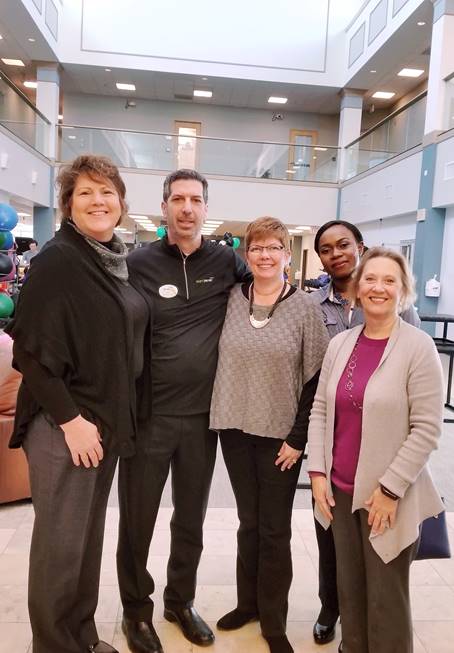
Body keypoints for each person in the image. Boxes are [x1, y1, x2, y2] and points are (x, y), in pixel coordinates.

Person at [5, 155, 152, 653]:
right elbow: (30, 353)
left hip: (103, 422)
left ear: (121, 203)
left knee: (86, 543)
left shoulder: (110, 260)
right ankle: (53, 645)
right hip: (64, 425)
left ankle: (81, 638)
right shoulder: (58, 259)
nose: (98, 200)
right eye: (85, 192)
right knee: (60, 549)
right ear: (68, 204)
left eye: (106, 191)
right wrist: (71, 421)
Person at [117, 168, 250, 653]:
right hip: (148, 415)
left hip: (202, 419)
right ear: (165, 206)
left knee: (190, 518)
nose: (187, 208)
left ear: (206, 208)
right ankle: (136, 612)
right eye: (178, 199)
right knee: (137, 520)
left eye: (195, 199)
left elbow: (268, 294)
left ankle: (180, 600)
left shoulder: (228, 261)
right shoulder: (138, 262)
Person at [307, 247, 444, 653]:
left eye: (389, 280)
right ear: (357, 287)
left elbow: (426, 429)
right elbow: (319, 409)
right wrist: (317, 474)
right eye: (370, 279)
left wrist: (389, 490)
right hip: (340, 493)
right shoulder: (342, 344)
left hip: (387, 497)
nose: (378, 287)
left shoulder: (418, 347)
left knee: (386, 601)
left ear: (403, 291)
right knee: (350, 593)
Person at [209, 217, 328, 653]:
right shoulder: (230, 300)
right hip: (234, 427)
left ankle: (273, 620)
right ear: (246, 254)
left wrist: (298, 439)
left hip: (281, 436)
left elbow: (315, 378)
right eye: (256, 247)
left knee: (275, 528)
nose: (264, 254)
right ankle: (249, 604)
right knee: (249, 522)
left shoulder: (304, 307)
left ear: (286, 255)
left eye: (273, 247)